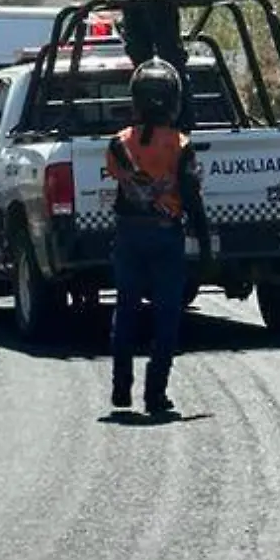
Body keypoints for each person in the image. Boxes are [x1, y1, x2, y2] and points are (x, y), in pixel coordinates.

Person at [102, 58, 209, 417]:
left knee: (126, 311)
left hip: (130, 236)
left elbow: (116, 179)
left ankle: (121, 385)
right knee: (166, 317)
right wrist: (205, 242)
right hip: (166, 239)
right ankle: (155, 392)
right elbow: (192, 197)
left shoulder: (119, 144)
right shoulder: (180, 145)